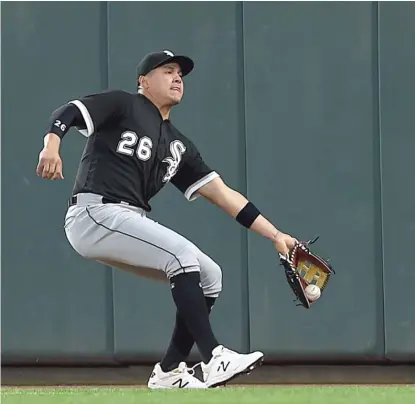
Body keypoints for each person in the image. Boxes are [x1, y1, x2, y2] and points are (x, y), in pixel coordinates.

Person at [36, 50, 298, 389]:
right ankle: (214, 356)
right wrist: (51, 145)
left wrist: (276, 235)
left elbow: (225, 195)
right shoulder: (123, 105)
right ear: (143, 81)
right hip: (94, 212)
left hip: (127, 218)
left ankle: (169, 371)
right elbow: (68, 112)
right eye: (168, 71)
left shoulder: (177, 144)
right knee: (182, 255)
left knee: (210, 275)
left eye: (181, 74)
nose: (177, 78)